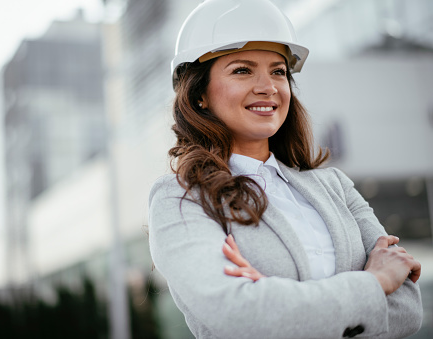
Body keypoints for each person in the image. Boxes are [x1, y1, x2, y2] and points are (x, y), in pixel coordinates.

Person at [148, 0, 423, 338]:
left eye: (278, 71)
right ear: (199, 93)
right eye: (242, 70)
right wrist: (375, 282)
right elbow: (236, 313)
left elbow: (408, 309)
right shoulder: (182, 198)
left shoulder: (334, 185)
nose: (269, 86)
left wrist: (278, 301)